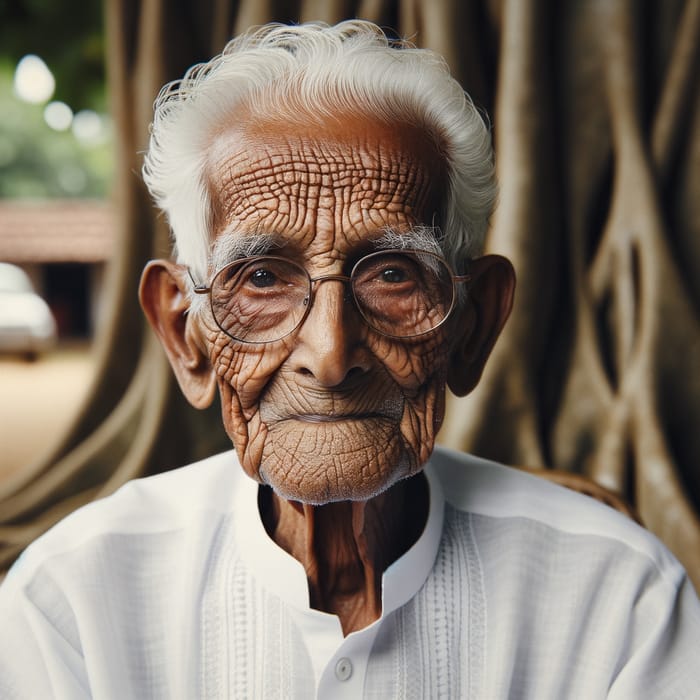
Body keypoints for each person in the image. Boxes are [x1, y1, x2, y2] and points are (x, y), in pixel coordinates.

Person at [1, 20, 698, 699]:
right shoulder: (73, 602)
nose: (330, 355)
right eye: (264, 278)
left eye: (393, 274)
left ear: (473, 324)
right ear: (186, 335)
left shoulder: (616, 597)